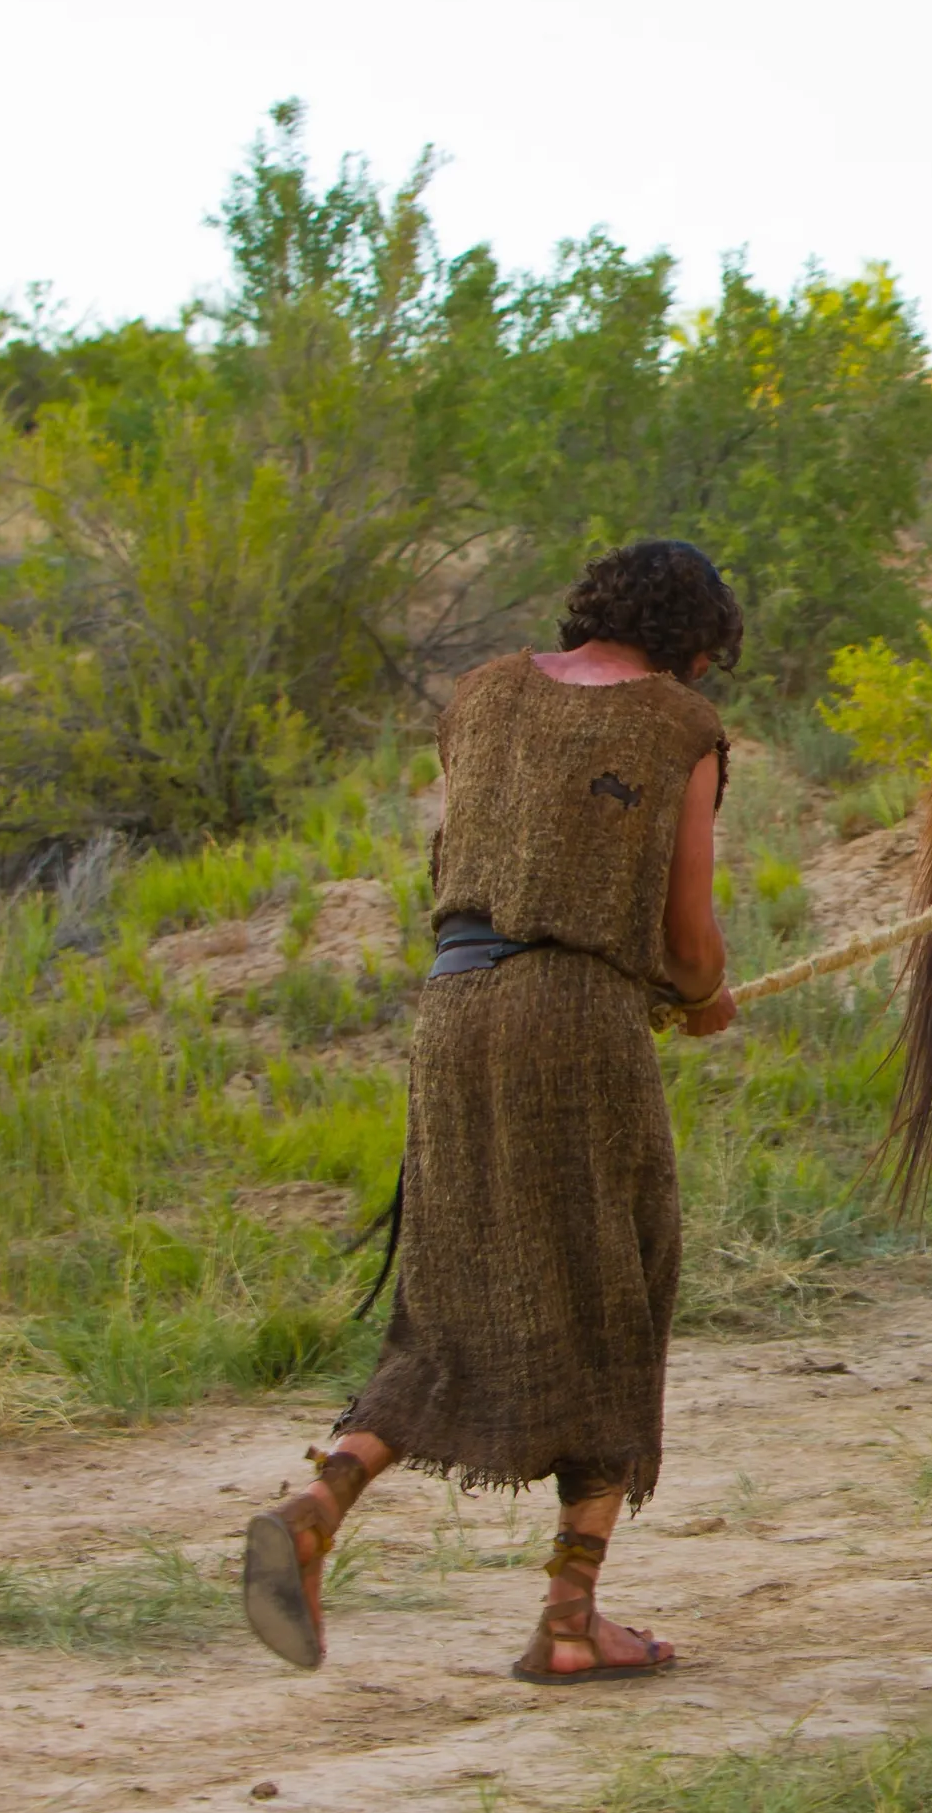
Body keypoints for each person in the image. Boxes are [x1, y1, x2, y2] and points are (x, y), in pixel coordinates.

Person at [239, 540, 745, 1684]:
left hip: (454, 1009)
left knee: (452, 1287)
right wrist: (705, 1000)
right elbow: (688, 934)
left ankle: (324, 1498)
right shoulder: (681, 727)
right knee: (620, 1286)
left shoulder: (484, 692)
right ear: (697, 645)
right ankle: (570, 1618)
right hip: (578, 1018)